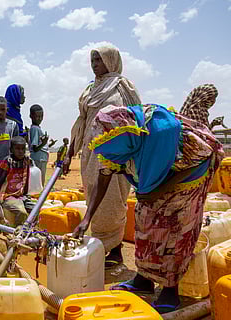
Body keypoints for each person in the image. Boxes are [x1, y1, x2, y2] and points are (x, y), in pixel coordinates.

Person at [72, 103, 223, 314]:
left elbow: (203, 158)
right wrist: (87, 218)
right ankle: (143, 279)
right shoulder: (111, 136)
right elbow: (104, 175)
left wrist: (159, 190)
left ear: (132, 135)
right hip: (154, 180)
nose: (116, 156)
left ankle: (170, 289)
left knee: (176, 232)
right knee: (145, 221)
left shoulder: (164, 132)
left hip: (189, 177)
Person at [63, 45, 141, 268]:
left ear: (111, 60)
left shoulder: (123, 86)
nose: (94, 64)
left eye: (99, 60)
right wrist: (70, 153)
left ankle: (115, 249)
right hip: (90, 152)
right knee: (94, 196)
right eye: (93, 60)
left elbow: (136, 117)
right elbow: (81, 123)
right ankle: (100, 244)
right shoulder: (90, 89)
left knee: (113, 200)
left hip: (117, 152)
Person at [0, 136, 35, 227]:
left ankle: (31, 231)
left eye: (22, 149)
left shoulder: (26, 161)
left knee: (35, 210)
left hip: (20, 196)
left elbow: (26, 177)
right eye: (17, 149)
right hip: (8, 196)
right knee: (22, 213)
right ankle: (17, 232)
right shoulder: (7, 162)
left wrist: (25, 194)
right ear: (11, 150)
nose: (20, 151)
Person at [29, 104, 56, 184]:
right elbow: (35, 148)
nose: (39, 119)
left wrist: (48, 144)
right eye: (37, 116)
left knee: (39, 180)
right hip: (38, 159)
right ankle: (39, 196)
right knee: (39, 181)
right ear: (31, 116)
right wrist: (44, 143)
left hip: (41, 159)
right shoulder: (35, 129)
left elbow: (41, 147)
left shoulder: (36, 128)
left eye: (41, 116)